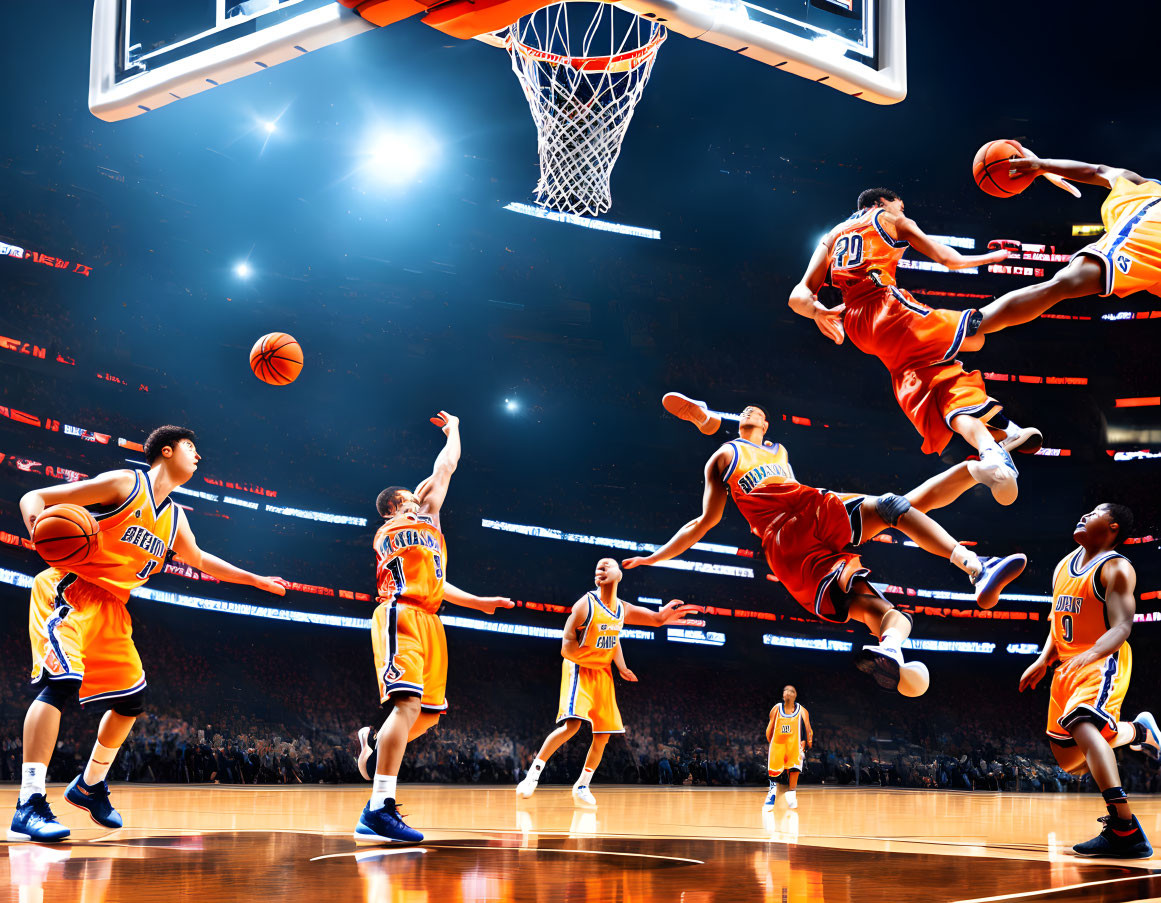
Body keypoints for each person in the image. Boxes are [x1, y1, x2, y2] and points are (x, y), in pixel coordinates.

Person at [626, 402, 1028, 696]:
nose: (750, 409)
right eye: (745, 409)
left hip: (800, 550)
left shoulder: (780, 454)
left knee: (888, 609)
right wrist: (654, 556)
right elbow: (703, 523)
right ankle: (976, 559)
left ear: (766, 424)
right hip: (786, 530)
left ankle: (892, 652)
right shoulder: (725, 454)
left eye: (758, 410)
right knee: (893, 506)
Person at [9, 426, 287, 843]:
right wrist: (37, 526)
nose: (198, 457)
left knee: (130, 702)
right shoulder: (125, 482)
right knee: (60, 682)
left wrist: (256, 580)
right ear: (167, 450)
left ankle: (89, 786)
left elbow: (201, 561)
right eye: (192, 448)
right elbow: (37, 498)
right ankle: (28, 803)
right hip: (69, 586)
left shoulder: (175, 518)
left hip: (113, 608)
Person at [789, 188, 1040, 505]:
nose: (902, 210)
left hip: (856, 326)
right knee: (978, 330)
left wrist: (816, 312)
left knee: (941, 385)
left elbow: (797, 297)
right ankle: (1064, 286)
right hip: (886, 308)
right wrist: (989, 257)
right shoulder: (887, 218)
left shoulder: (832, 234)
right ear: (882, 203)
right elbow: (949, 259)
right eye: (900, 205)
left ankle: (997, 443)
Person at [354, 412, 515, 845]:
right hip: (399, 613)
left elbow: (447, 466)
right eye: (408, 495)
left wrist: (456, 430)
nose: (418, 495)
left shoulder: (432, 527)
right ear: (393, 506)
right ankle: (379, 810)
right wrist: (444, 452)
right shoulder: (396, 526)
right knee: (406, 708)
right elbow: (437, 475)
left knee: (425, 717)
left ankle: (372, 737)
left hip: (432, 619)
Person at [1018, 503, 1158, 859]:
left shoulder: (1116, 568)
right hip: (1066, 666)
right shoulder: (1063, 566)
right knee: (1070, 761)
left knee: (1083, 725)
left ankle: (1125, 828)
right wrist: (1043, 659)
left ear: (1111, 527)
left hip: (1103, 659)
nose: (1083, 514)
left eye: (1095, 512)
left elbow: (1123, 627)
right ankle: (1139, 733)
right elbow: (1057, 622)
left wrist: (1091, 654)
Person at [514, 558, 702, 808]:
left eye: (606, 565)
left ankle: (582, 785)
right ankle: (532, 775)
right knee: (572, 726)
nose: (600, 568)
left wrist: (623, 665)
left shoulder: (621, 609)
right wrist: (586, 656)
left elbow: (630, 631)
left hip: (602, 672)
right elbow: (566, 644)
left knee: (602, 735)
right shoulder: (585, 605)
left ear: (619, 575)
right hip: (580, 668)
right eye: (597, 567)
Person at [976, 148, 1161, 332]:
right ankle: (968, 326)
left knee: (1064, 284)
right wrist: (1042, 165)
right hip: (1151, 227)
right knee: (1067, 283)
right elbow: (1097, 171)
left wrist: (1042, 165)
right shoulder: (1146, 188)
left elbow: (1097, 171)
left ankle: (969, 326)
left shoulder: (1142, 186)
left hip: (1148, 226)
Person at [764, 685, 812, 811]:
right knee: (774, 770)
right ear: (782, 695)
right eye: (786, 690)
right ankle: (772, 793)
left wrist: (808, 743)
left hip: (793, 745)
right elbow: (769, 729)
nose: (789, 693)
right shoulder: (776, 709)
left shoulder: (802, 710)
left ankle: (792, 793)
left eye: (792, 691)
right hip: (778, 744)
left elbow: (809, 730)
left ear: (795, 695)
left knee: (794, 768)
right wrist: (772, 742)